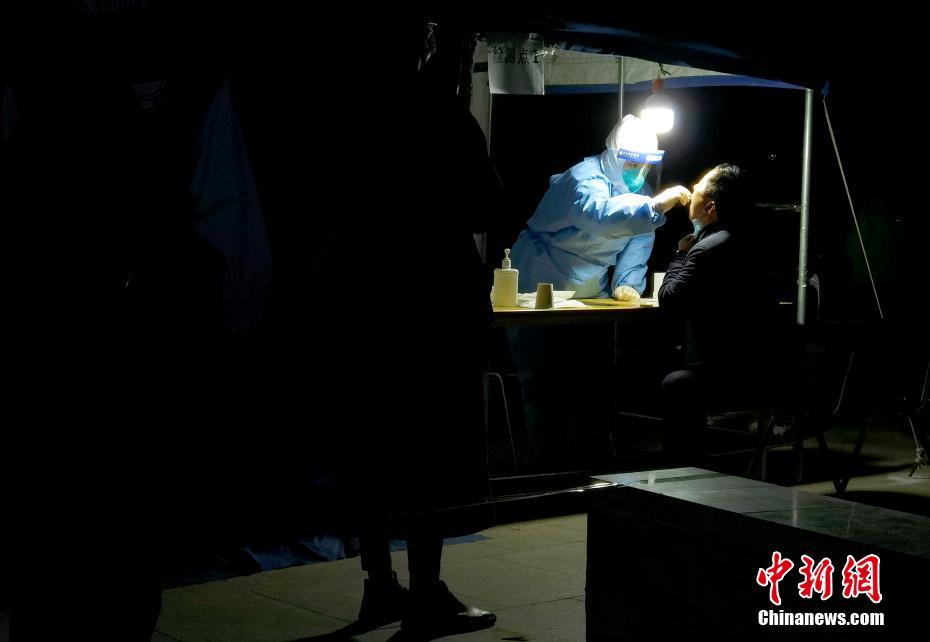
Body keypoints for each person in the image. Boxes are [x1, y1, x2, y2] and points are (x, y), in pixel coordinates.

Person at [505, 116, 691, 471]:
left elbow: (637, 241)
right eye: (632, 163)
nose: (638, 171)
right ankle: (544, 472)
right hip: (541, 283)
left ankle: (593, 471)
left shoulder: (641, 193)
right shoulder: (583, 178)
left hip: (591, 293)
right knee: (544, 388)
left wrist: (627, 283)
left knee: (593, 386)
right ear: (615, 155)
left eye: (645, 165)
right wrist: (654, 207)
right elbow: (601, 216)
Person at [658, 164, 787, 465]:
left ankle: (682, 470)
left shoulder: (706, 250)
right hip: (765, 368)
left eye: (699, 187)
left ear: (710, 207)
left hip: (730, 374)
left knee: (675, 382)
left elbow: (669, 299)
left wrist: (679, 255)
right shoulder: (752, 242)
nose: (693, 190)